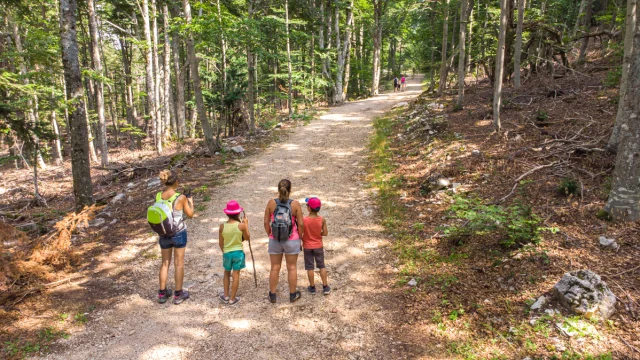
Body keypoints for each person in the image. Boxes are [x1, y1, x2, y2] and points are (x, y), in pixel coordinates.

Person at [156, 170, 194, 305]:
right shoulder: (181, 197)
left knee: (165, 263)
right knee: (179, 263)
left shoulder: (159, 195)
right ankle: (178, 294)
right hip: (178, 232)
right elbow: (190, 214)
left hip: (163, 232)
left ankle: (162, 293)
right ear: (176, 182)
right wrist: (190, 201)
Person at [264, 179, 305, 303]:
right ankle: (292, 295)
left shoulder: (271, 203)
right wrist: (300, 237)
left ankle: (272, 295)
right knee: (292, 267)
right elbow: (301, 224)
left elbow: (266, 222)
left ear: (278, 189)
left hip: (274, 239)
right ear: (290, 189)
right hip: (292, 240)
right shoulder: (295, 204)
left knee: (274, 267)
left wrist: (270, 234)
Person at [218, 200, 250, 306]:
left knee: (226, 273)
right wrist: (246, 224)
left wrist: (225, 251)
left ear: (226, 213)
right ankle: (232, 298)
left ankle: (226, 295)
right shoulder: (241, 226)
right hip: (238, 253)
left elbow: (220, 243)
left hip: (227, 253)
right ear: (238, 213)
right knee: (236, 275)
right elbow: (247, 237)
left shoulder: (222, 226)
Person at [302, 197, 330, 295]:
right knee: (321, 265)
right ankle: (325, 286)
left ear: (308, 208)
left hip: (307, 246)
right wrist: (318, 234)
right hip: (318, 246)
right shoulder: (322, 219)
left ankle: (312, 287)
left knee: (310, 267)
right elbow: (325, 233)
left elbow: (301, 233)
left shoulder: (304, 220)